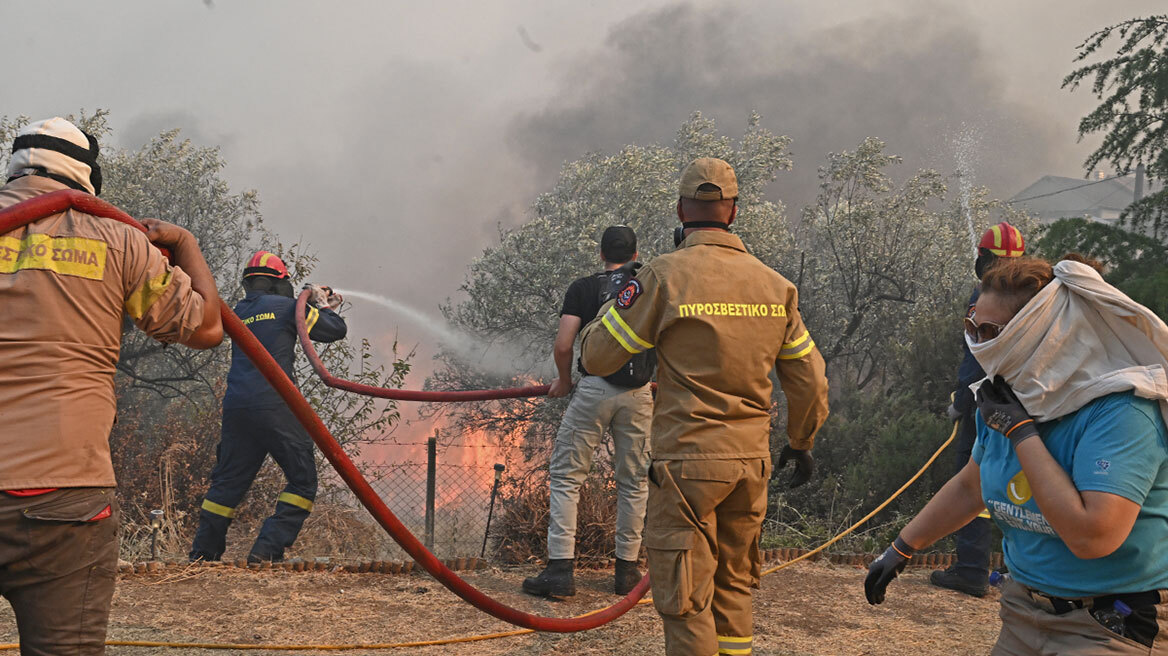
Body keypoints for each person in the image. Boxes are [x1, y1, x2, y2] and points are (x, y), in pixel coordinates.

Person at [581, 158, 830, 656]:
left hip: (688, 466)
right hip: (750, 464)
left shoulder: (665, 276)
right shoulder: (775, 287)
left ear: (680, 208)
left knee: (686, 600)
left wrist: (622, 298)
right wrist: (801, 443)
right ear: (733, 212)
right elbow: (810, 382)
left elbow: (596, 355)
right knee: (733, 587)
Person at [866, 255, 1168, 654]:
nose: (979, 341)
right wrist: (902, 547)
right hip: (1023, 610)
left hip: (1110, 623)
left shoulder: (1121, 412)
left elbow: (1092, 536)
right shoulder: (1017, 393)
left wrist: (1022, 432)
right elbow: (972, 485)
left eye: (991, 330)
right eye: (971, 326)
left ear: (1038, 332)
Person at [0, 117, 223, 656]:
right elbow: (207, 329)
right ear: (86, 176)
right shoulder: (119, 239)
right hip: (63, 497)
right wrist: (185, 243)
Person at [522, 226, 655, 598]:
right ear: (636, 252)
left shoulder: (583, 288)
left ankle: (560, 572)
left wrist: (563, 380)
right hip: (640, 393)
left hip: (595, 388)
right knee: (634, 483)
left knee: (567, 478)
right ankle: (627, 572)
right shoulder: (649, 286)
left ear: (601, 254)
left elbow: (565, 344)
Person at [189, 251, 347, 563]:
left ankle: (202, 555)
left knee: (228, 484)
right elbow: (334, 330)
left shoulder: (237, 311)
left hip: (237, 408)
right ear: (280, 282)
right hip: (277, 405)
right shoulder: (288, 307)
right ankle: (266, 550)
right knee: (303, 481)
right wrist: (322, 303)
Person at [932, 221, 1026, 598]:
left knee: (972, 486)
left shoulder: (985, 297)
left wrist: (960, 402)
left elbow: (976, 358)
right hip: (1031, 409)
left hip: (985, 407)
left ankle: (971, 569)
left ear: (986, 257)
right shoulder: (1039, 294)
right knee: (1022, 486)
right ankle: (1018, 571)